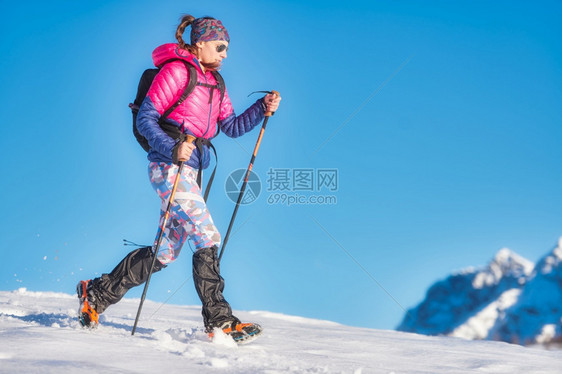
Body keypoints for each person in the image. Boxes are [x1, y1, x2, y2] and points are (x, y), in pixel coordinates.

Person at [77, 14, 281, 343]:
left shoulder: (217, 82)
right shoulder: (176, 71)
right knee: (207, 235)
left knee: (165, 252)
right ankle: (219, 321)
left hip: (192, 170)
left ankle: (96, 294)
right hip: (168, 166)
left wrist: (261, 107)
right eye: (221, 46)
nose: (226, 53)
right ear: (200, 43)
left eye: (227, 48)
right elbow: (147, 118)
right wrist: (173, 148)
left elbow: (231, 127)